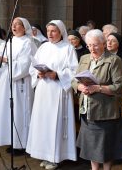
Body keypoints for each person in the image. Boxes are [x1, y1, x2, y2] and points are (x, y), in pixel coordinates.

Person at [72, 29, 122, 170]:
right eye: (89, 45)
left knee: (106, 150)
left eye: (95, 45)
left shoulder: (114, 60)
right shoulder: (84, 58)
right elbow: (74, 80)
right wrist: (79, 87)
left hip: (105, 112)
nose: (92, 48)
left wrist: (98, 88)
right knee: (91, 149)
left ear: (103, 43)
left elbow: (119, 87)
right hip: (87, 110)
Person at [26, 20, 78, 170]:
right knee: (43, 122)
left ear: (60, 32)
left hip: (58, 90)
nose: (50, 34)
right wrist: (38, 73)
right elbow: (33, 65)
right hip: (43, 90)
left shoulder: (68, 48)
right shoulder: (43, 47)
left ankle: (55, 157)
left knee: (55, 123)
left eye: (53, 31)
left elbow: (74, 71)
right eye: (48, 31)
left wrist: (58, 74)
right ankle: (44, 154)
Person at [0, 17, 37, 154]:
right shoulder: (10, 41)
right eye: (13, 24)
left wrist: (9, 66)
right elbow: (8, 60)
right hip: (9, 80)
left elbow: (25, 65)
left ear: (24, 28)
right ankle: (12, 140)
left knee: (20, 111)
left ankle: (22, 143)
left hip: (20, 82)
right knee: (8, 111)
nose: (14, 26)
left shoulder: (28, 43)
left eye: (18, 24)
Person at [107, 33, 122, 99]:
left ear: (119, 43)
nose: (109, 43)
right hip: (105, 92)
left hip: (119, 93)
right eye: (108, 40)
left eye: (113, 41)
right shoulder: (103, 56)